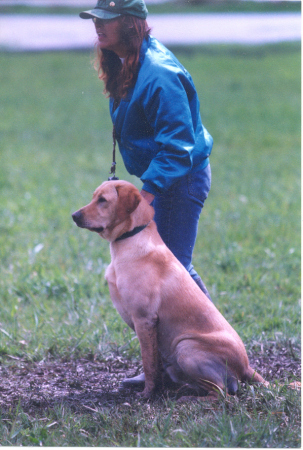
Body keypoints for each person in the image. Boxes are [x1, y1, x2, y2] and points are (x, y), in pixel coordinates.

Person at [79, 0, 214, 388]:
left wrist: (147, 195)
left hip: (178, 181)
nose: (97, 28)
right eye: (95, 20)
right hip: (163, 178)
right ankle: (179, 360)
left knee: (176, 271)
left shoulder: (158, 73)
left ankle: (209, 356)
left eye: (106, 20)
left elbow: (179, 145)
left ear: (130, 24)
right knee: (173, 271)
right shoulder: (128, 63)